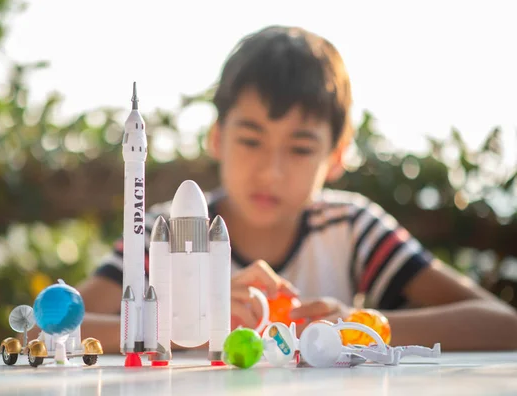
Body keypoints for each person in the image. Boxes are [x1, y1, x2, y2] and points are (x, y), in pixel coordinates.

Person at [76, 25, 517, 353]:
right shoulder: (168, 229)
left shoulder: (351, 227)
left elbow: (504, 326)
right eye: (251, 140)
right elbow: (51, 327)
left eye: (301, 148)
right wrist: (180, 325)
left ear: (338, 154)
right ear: (217, 138)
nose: (271, 171)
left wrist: (357, 327)